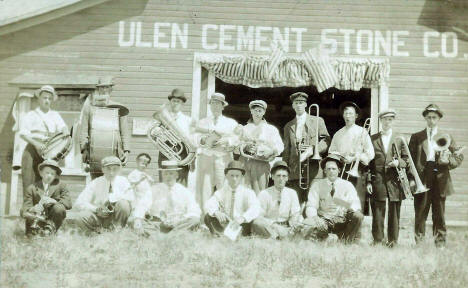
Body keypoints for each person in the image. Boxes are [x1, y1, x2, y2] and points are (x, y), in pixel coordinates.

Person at [408, 104, 464, 247]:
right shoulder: (416, 137)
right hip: (422, 178)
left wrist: (448, 162)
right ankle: (419, 244)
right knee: (420, 213)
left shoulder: (446, 136)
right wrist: (412, 180)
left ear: (438, 119)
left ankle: (440, 244)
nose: (431, 120)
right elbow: (410, 160)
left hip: (440, 177)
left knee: (439, 214)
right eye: (428, 117)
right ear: (425, 118)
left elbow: (458, 156)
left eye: (434, 118)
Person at [367, 109, 408, 247]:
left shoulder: (400, 139)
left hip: (394, 180)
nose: (387, 122)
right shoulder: (372, 139)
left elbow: (406, 160)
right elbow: (368, 162)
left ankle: (393, 241)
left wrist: (398, 163)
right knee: (378, 210)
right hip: (377, 178)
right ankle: (378, 240)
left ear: (393, 121)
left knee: (394, 210)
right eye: (385, 119)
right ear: (381, 121)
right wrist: (368, 181)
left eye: (390, 119)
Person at [302, 152, 363, 243]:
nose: (331, 171)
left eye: (334, 169)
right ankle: (329, 238)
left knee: (358, 216)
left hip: (342, 219)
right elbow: (311, 206)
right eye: (328, 169)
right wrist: (316, 218)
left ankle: (347, 240)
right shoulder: (317, 185)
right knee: (308, 224)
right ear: (325, 171)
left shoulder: (347, 185)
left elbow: (356, 205)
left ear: (339, 170)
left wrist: (342, 205)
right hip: (324, 220)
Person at [195, 92, 240, 212]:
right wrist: (204, 140)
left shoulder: (231, 123)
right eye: (213, 104)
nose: (215, 106)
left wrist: (226, 142)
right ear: (210, 105)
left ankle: (224, 217)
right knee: (204, 187)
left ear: (222, 106)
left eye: (218, 104)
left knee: (224, 186)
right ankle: (205, 218)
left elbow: (237, 139)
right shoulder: (202, 122)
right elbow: (195, 138)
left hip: (223, 158)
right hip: (206, 157)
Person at [283, 92, 330, 205]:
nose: (299, 105)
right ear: (293, 106)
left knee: (313, 202)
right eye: (296, 103)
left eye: (301, 103)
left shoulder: (318, 120)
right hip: (295, 170)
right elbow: (286, 150)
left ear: (306, 105)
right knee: (296, 203)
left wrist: (313, 150)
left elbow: (326, 140)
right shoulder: (288, 126)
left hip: (313, 169)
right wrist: (285, 169)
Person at [79, 76, 131, 178]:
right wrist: (83, 149)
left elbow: (124, 131)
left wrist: (126, 151)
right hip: (94, 155)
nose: (104, 90)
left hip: (115, 153)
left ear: (111, 89)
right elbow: (84, 130)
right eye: (101, 87)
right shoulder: (89, 108)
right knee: (96, 185)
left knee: (113, 184)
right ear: (98, 89)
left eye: (106, 87)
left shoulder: (119, 108)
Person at [19, 85, 68, 191]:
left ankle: (45, 206)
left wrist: (65, 131)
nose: (47, 101)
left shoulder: (55, 115)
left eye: (49, 99)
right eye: (44, 98)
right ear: (39, 99)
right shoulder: (31, 115)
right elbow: (23, 133)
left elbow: (64, 128)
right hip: (32, 150)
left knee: (47, 183)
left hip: (49, 151)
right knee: (29, 182)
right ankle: (28, 207)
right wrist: (36, 144)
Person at [329, 101, 374, 214]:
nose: (348, 116)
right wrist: (341, 158)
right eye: (346, 114)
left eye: (350, 114)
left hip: (358, 172)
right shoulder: (338, 134)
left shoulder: (362, 131)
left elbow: (370, 153)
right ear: (343, 116)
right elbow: (331, 152)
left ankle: (356, 228)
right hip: (342, 171)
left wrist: (354, 158)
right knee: (341, 201)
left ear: (356, 116)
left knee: (356, 202)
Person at [74, 156, 134, 233]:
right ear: (103, 169)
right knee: (81, 217)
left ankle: (117, 231)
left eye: (114, 169)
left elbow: (131, 199)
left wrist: (115, 200)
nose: (111, 172)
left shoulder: (124, 181)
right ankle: (95, 235)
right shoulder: (96, 183)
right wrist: (96, 210)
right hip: (100, 216)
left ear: (119, 169)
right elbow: (79, 202)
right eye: (108, 169)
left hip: (117, 217)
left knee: (123, 204)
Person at [204, 160, 261, 237]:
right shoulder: (222, 191)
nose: (234, 179)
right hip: (228, 223)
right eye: (231, 175)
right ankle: (223, 234)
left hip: (242, 224)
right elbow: (209, 203)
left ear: (242, 177)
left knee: (256, 221)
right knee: (208, 216)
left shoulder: (248, 192)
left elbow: (255, 207)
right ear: (226, 176)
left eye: (237, 176)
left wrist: (242, 218)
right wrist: (216, 212)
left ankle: (234, 235)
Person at [239, 100, 284, 194]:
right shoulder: (244, 128)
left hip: (261, 163)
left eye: (260, 111)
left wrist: (271, 152)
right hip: (244, 163)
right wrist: (245, 147)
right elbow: (236, 146)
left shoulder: (271, 129)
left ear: (264, 112)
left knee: (259, 193)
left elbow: (280, 146)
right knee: (243, 191)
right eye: (255, 110)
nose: (257, 113)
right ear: (251, 111)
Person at [144, 160, 201, 234]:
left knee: (194, 220)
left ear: (177, 175)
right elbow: (142, 205)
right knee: (135, 220)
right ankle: (172, 235)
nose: (168, 177)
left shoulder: (184, 191)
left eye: (171, 173)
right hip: (158, 223)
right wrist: (140, 217)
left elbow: (194, 209)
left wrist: (180, 220)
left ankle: (166, 235)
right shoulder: (154, 189)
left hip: (178, 223)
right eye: (165, 174)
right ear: (162, 175)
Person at [251, 161, 302, 239]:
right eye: (278, 176)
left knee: (305, 222)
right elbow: (258, 215)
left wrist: (295, 224)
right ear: (272, 176)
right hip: (270, 227)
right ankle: (277, 238)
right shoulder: (264, 193)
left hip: (286, 227)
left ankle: (282, 237)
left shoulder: (292, 193)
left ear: (287, 178)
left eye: (284, 176)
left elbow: (295, 213)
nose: (281, 179)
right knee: (257, 223)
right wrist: (274, 225)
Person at [21, 159, 72, 236]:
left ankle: (50, 231)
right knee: (32, 242)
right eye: (47, 173)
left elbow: (68, 203)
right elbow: (24, 210)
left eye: (52, 174)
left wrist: (53, 201)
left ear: (55, 176)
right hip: (36, 219)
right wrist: (34, 208)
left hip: (53, 220)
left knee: (59, 208)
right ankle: (34, 233)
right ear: (41, 173)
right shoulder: (32, 188)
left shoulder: (62, 186)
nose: (49, 176)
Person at [156, 88, 196, 186]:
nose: (175, 104)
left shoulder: (188, 120)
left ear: (182, 104)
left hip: (181, 155)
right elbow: (153, 132)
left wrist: (192, 161)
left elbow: (193, 141)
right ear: (170, 102)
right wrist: (159, 133)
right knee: (164, 185)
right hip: (165, 153)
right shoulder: (162, 118)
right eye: (173, 101)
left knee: (180, 186)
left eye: (178, 101)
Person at [127, 153, 154, 234]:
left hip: (146, 196)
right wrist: (140, 180)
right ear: (137, 162)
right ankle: (137, 225)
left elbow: (151, 184)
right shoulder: (133, 173)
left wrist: (149, 180)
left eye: (146, 164)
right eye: (142, 163)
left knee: (147, 209)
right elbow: (131, 185)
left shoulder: (146, 174)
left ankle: (145, 223)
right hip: (137, 196)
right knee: (138, 210)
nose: (144, 166)